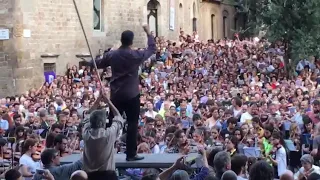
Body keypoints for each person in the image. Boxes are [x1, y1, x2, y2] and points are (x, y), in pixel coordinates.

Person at [92, 25, 156, 161]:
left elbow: (98, 63)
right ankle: (131, 154)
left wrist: (91, 61)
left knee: (111, 122)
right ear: (131, 41)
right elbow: (152, 49)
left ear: (121, 40)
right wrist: (148, 33)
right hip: (132, 94)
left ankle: (104, 152)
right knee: (132, 123)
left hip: (116, 94)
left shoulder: (112, 54)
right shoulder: (135, 55)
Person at [82, 93, 125, 179]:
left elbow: (87, 115)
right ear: (102, 123)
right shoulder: (109, 134)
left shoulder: (86, 133)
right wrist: (108, 101)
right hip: (108, 176)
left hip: (90, 176)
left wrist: (97, 101)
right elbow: (118, 116)